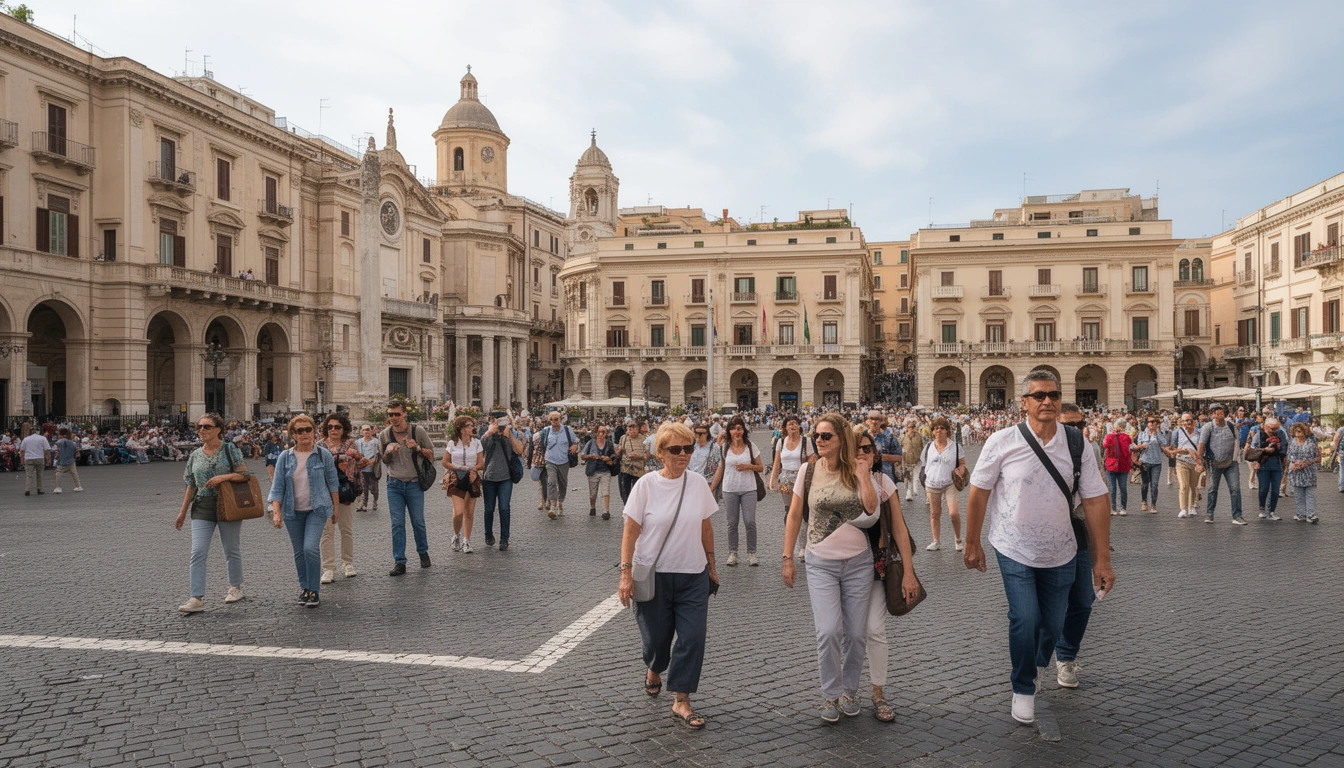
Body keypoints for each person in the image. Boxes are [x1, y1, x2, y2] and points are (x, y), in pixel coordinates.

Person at [963, 371, 1114, 724]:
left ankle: (1040, 664)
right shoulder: (1001, 441)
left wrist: (1102, 560)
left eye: (1053, 395)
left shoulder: (1076, 443)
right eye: (1039, 396)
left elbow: (1095, 499)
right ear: (1024, 403)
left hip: (1062, 547)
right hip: (1012, 545)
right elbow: (978, 493)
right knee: (1025, 617)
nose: (1047, 401)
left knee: (1052, 621)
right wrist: (971, 543)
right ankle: (1023, 687)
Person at [617, 421, 720, 730]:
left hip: (692, 575)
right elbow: (631, 530)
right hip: (655, 577)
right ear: (660, 453)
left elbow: (705, 526)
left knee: (692, 637)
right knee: (657, 641)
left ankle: (681, 699)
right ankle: (655, 667)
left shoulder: (698, 483)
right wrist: (625, 573)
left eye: (688, 449)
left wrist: (712, 566)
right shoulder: (646, 485)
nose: (683, 455)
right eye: (676, 450)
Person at [782, 413, 880, 722]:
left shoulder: (857, 468)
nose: (820, 441)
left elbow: (871, 507)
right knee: (828, 631)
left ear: (842, 439)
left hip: (858, 563)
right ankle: (830, 694)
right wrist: (787, 557)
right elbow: (795, 514)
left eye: (827, 436)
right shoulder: (807, 470)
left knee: (856, 633)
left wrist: (864, 474)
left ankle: (850, 690)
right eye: (817, 436)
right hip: (820, 562)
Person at [855, 428, 917, 723]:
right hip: (843, 566)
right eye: (855, 449)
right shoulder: (836, 480)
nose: (861, 454)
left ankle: (878, 692)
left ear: (875, 453)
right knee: (845, 632)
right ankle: (844, 691)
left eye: (866, 449)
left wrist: (909, 573)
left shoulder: (884, 481)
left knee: (875, 630)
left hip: (877, 564)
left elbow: (900, 529)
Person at [175, 413, 251, 613]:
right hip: (202, 505)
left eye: (206, 426)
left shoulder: (230, 449)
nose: (201, 430)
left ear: (218, 429)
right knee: (198, 551)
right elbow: (190, 485)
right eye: (199, 427)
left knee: (231, 548)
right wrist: (182, 512)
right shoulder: (195, 455)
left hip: (228, 504)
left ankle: (235, 587)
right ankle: (196, 597)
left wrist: (221, 478)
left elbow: (244, 475)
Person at [269, 414, 340, 607]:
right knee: (299, 552)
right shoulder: (285, 457)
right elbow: (277, 487)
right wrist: (276, 512)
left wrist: (335, 508)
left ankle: (314, 590)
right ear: (293, 434)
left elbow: (333, 483)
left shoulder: (322, 454)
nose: (305, 434)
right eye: (300, 431)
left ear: (314, 431)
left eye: (308, 430)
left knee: (310, 548)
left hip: (317, 508)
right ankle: (305, 589)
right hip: (293, 510)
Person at [380, 399, 436, 575]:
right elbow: (383, 460)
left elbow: (431, 454)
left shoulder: (417, 431)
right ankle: (400, 561)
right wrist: (388, 453)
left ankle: (423, 552)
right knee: (397, 524)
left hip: (413, 484)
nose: (394, 418)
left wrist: (417, 448)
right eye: (390, 414)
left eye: (397, 414)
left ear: (404, 414)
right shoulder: (384, 435)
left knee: (418, 522)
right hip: (394, 484)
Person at [712, 416, 765, 567]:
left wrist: (748, 466)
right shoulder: (725, 447)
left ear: (743, 430)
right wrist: (711, 488)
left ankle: (752, 553)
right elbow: (721, 468)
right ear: (729, 431)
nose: (737, 431)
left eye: (739, 428)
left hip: (749, 488)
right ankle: (732, 553)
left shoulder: (750, 446)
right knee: (732, 523)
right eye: (734, 428)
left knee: (750, 522)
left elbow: (761, 467)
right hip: (729, 489)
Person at [319, 412, 361, 583]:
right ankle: (328, 568)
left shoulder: (351, 443)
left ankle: (348, 563)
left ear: (344, 429)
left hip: (345, 490)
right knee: (326, 531)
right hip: (324, 491)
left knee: (346, 528)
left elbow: (360, 460)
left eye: (337, 427)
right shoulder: (320, 445)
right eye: (330, 427)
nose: (333, 430)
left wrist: (356, 456)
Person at [768, 415, 813, 561]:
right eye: (789, 424)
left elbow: (813, 460)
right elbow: (776, 462)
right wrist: (772, 479)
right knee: (790, 513)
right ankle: (790, 546)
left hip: (802, 481)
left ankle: (803, 547)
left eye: (794, 423)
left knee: (803, 513)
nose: (792, 426)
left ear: (799, 426)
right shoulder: (781, 442)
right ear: (785, 428)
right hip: (786, 482)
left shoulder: (806, 441)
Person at [921, 417, 966, 551]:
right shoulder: (928, 447)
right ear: (933, 431)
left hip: (950, 483)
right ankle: (936, 541)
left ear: (947, 430)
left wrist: (960, 470)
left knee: (953, 513)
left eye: (942, 428)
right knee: (935, 513)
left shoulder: (955, 447)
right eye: (936, 428)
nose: (939, 430)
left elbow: (963, 464)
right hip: (932, 483)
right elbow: (923, 464)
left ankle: (958, 539)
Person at [480, 414, 524, 549]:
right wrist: (488, 433)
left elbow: (520, 450)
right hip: (489, 477)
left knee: (504, 508)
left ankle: (504, 538)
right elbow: (478, 450)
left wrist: (509, 435)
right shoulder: (486, 433)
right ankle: (488, 534)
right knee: (489, 509)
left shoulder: (510, 434)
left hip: (506, 477)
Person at [1196, 403, 1245, 524]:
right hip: (1214, 462)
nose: (1218, 414)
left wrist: (1236, 458)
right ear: (1212, 415)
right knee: (1212, 489)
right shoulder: (1208, 427)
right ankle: (1210, 514)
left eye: (1220, 411)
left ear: (1224, 413)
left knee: (1235, 489)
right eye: (1215, 412)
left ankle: (1237, 516)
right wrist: (1199, 461)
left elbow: (1236, 441)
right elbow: (1201, 444)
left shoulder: (1231, 425)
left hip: (1230, 463)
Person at [443, 415, 483, 553]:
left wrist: (474, 469)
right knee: (459, 512)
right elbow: (445, 462)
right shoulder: (452, 443)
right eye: (468, 425)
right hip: (456, 477)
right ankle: (456, 535)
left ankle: (467, 541)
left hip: (472, 477)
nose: (472, 428)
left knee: (470, 513)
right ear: (460, 428)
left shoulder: (477, 443)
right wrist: (458, 468)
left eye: (472, 425)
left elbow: (480, 463)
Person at [540, 411, 578, 518]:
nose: (554, 422)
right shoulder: (546, 431)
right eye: (551, 420)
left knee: (563, 483)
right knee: (551, 482)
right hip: (550, 460)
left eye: (556, 419)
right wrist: (544, 456)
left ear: (560, 419)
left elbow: (575, 442)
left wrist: (574, 446)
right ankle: (553, 506)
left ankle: (560, 502)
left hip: (563, 461)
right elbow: (542, 444)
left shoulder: (567, 430)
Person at [1250, 417, 1289, 521]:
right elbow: (1253, 449)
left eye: (1277, 428)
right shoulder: (1259, 435)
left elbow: (1285, 447)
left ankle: (1271, 511)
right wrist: (1260, 456)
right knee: (1263, 488)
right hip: (1263, 464)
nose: (1275, 431)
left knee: (1276, 489)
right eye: (1273, 429)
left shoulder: (1280, 434)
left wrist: (1282, 456)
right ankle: (1262, 508)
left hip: (1276, 464)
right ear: (1266, 427)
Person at [1132, 416, 1169, 513]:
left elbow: (1164, 443)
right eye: (1151, 422)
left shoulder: (1160, 433)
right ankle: (1144, 501)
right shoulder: (1142, 434)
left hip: (1156, 462)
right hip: (1145, 461)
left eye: (1155, 422)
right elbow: (1136, 447)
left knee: (1155, 484)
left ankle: (1153, 505)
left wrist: (1157, 434)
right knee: (1145, 484)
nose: (1153, 424)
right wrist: (1142, 446)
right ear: (1147, 423)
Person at [1285, 422, 1320, 523]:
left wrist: (1308, 462)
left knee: (1310, 494)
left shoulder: (1311, 443)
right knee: (1299, 494)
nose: (1297, 434)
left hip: (1309, 472)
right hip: (1296, 472)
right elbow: (1288, 456)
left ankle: (1311, 514)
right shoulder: (1292, 443)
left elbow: (1318, 458)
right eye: (1295, 432)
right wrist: (1293, 464)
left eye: (1299, 431)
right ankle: (1301, 514)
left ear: (1305, 432)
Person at [581, 424, 617, 519]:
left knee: (606, 491)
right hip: (593, 471)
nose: (601, 434)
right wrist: (591, 456)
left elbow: (613, 456)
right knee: (593, 493)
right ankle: (593, 507)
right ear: (596, 433)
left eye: (603, 432)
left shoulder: (609, 444)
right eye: (599, 432)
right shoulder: (591, 443)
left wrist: (609, 459)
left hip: (605, 471)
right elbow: (583, 456)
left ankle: (606, 511)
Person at [1172, 412, 1203, 518]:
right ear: (1181, 422)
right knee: (1184, 486)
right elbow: (1172, 448)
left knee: (1193, 486)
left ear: (1194, 421)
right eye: (1186, 420)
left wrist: (1200, 460)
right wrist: (1180, 450)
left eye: (1190, 420)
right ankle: (1183, 509)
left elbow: (1202, 447)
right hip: (1182, 461)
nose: (1188, 422)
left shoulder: (1199, 432)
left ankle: (1192, 506)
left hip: (1195, 462)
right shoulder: (1177, 432)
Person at [1102, 418, 1134, 516]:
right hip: (1111, 465)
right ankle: (1113, 508)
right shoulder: (1109, 436)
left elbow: (1130, 447)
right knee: (1112, 488)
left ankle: (1123, 507)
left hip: (1123, 466)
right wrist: (1111, 436)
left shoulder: (1126, 437)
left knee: (1123, 488)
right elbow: (1105, 445)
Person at [617, 419, 649, 504]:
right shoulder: (623, 438)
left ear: (638, 429)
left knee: (637, 492)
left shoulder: (644, 439)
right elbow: (619, 451)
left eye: (634, 428)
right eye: (629, 428)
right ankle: (627, 508)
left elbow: (647, 456)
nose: (632, 430)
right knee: (625, 492)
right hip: (625, 468)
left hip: (639, 470)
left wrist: (638, 456)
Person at [355, 425, 382, 512]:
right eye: (364, 430)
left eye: (367, 430)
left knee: (374, 487)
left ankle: (375, 501)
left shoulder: (376, 442)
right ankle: (364, 504)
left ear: (371, 431)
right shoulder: (358, 442)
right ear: (361, 432)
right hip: (362, 469)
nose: (366, 432)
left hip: (372, 469)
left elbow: (378, 455)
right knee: (363, 487)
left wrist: (372, 462)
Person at [20, 423, 51, 496]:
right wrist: (48, 460)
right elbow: (47, 450)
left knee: (29, 475)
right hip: (39, 458)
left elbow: (22, 450)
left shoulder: (26, 439)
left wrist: (22, 460)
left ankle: (27, 489)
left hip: (29, 458)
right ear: (38, 431)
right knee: (39, 474)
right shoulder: (43, 438)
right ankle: (39, 489)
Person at [51, 427, 83, 493]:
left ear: (62, 435)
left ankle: (58, 487)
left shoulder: (58, 442)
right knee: (74, 473)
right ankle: (78, 486)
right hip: (71, 460)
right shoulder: (72, 442)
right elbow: (77, 449)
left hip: (62, 461)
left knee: (58, 473)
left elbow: (54, 449)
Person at [900, 418, 925, 502]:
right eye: (910, 428)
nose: (911, 429)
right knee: (907, 477)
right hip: (906, 460)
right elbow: (899, 446)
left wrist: (923, 457)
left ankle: (914, 490)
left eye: (913, 427)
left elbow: (922, 446)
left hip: (917, 459)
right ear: (907, 428)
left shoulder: (919, 436)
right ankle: (908, 492)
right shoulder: (903, 436)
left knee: (916, 476)